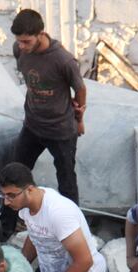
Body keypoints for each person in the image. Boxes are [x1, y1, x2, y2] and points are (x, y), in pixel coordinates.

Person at [0, 162, 108, 272]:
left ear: (29, 189)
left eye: (11, 195)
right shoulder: (26, 206)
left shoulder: (58, 213)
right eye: (3, 195)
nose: (6, 201)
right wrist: (19, 266)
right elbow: (36, 234)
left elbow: (84, 261)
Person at [10, 9, 86, 204]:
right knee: (16, 174)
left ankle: (71, 226)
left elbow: (80, 89)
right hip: (32, 126)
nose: (22, 45)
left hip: (60, 130)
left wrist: (79, 119)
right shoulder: (19, 50)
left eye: (27, 41)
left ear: (41, 34)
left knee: (67, 181)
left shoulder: (63, 60)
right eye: (19, 41)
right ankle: (8, 224)